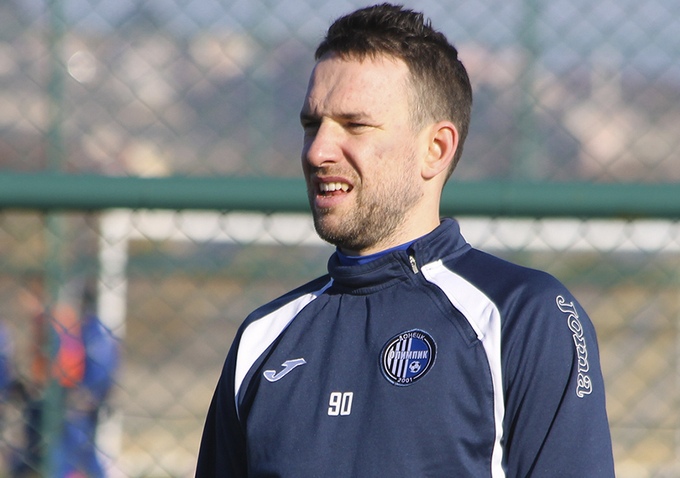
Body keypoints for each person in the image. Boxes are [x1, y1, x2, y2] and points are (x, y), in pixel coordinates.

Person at [196, 3, 615, 477]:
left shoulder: (524, 316)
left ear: (435, 149)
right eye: (312, 125)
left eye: (355, 125)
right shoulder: (263, 338)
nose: (318, 151)